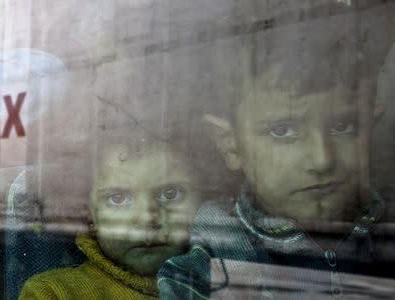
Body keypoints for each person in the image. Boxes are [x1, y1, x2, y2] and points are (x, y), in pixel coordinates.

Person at [157, 2, 395, 299]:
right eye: (283, 131)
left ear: (371, 124)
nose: (322, 159)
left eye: (343, 126)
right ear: (229, 143)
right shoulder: (204, 275)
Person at [18, 97, 204, 299]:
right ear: (89, 214)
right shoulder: (54, 294)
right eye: (117, 198)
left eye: (170, 194)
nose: (146, 220)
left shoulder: (225, 281)